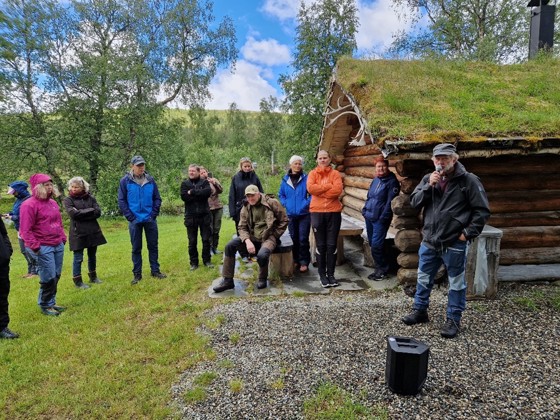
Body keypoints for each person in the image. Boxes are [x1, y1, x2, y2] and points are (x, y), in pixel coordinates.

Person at [402, 143, 490, 339]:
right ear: (433, 160)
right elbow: (414, 203)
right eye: (437, 158)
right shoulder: (428, 179)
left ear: (454, 159)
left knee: (456, 283)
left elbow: (481, 211)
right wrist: (427, 186)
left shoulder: (468, 181)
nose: (441, 162)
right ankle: (420, 310)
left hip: (454, 242)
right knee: (424, 278)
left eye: (445, 158)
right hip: (430, 241)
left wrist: (467, 233)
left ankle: (453, 319)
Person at [213, 185, 288, 293]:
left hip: (268, 237)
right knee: (230, 246)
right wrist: (247, 241)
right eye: (248, 196)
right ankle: (227, 280)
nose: (250, 199)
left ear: (258, 194)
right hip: (252, 236)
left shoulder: (271, 203)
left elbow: (284, 221)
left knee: (262, 255)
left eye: (252, 196)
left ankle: (262, 278)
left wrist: (275, 235)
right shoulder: (246, 206)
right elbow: (242, 227)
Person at [19, 174, 67, 316]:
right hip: (42, 245)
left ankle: (51, 301)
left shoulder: (52, 203)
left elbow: (59, 222)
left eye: (51, 184)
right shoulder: (29, 205)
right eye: (46, 185)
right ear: (38, 187)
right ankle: (45, 305)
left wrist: (62, 237)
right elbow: (25, 230)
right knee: (48, 276)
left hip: (57, 243)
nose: (50, 187)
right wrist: (35, 246)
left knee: (56, 274)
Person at [118, 155, 167, 285]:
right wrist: (130, 217)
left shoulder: (150, 180)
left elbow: (157, 198)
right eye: (138, 165)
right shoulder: (125, 181)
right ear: (132, 166)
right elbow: (122, 200)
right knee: (136, 248)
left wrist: (153, 214)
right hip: (134, 220)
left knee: (153, 246)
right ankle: (137, 274)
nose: (141, 168)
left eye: (142, 165)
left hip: (150, 218)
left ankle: (155, 270)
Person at [307, 150, 343, 288]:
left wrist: (321, 191)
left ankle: (331, 275)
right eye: (320, 158)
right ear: (317, 160)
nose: (322, 160)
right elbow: (311, 189)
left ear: (329, 159)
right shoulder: (312, 174)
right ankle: (322, 275)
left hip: (333, 212)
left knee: (331, 245)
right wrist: (328, 188)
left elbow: (337, 190)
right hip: (317, 212)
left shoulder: (335, 174)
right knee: (321, 245)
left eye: (325, 158)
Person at [62, 177, 107, 289]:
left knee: (92, 255)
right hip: (78, 233)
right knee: (78, 257)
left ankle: (93, 276)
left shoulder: (91, 198)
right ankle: (78, 281)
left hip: (92, 231)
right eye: (72, 187)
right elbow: (73, 215)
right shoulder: (68, 200)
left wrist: (81, 213)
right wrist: (89, 211)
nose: (73, 189)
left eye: (76, 187)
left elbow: (98, 212)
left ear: (82, 187)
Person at [361, 157, 400, 281]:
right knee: (373, 243)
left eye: (383, 166)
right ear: (375, 167)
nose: (381, 168)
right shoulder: (376, 180)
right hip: (369, 216)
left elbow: (390, 202)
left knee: (377, 245)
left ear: (387, 166)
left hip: (380, 218)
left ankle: (383, 269)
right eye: (378, 166)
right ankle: (379, 268)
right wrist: (365, 209)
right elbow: (369, 197)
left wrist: (384, 217)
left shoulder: (392, 182)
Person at [278, 155, 311, 273]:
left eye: (299, 164)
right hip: (291, 214)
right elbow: (281, 194)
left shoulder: (306, 178)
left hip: (304, 214)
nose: (297, 166)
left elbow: (312, 193)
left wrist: (306, 204)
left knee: (303, 238)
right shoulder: (285, 179)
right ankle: (295, 259)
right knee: (294, 238)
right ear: (291, 165)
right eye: (295, 163)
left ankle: (304, 261)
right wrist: (285, 203)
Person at [228, 157, 263, 263]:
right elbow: (231, 196)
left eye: (249, 166)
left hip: (254, 208)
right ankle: (243, 254)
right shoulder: (236, 178)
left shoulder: (255, 177)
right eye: (245, 166)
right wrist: (232, 211)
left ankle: (254, 253)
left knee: (255, 230)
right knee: (241, 232)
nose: (247, 168)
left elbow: (261, 191)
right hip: (240, 209)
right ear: (241, 167)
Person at [180, 164, 213, 271]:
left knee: (206, 240)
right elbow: (185, 197)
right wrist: (199, 194)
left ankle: (207, 261)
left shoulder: (204, 182)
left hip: (204, 216)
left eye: (193, 171)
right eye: (190, 171)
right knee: (192, 241)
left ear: (198, 172)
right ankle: (194, 263)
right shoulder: (185, 183)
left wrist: (193, 192)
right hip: (191, 216)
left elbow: (207, 192)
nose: (191, 172)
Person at [6, 181, 38, 278]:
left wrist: (12, 218)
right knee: (24, 251)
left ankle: (36, 272)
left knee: (30, 251)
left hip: (27, 230)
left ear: (19, 190)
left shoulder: (28, 200)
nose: (13, 194)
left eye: (14, 191)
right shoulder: (18, 200)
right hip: (19, 229)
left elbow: (25, 216)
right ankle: (30, 271)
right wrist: (10, 214)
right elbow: (17, 211)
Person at [0, 214, 19, 338]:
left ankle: (2, 327)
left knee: (2, 293)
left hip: (1, 261)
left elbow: (3, 232)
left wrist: (7, 251)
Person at [200, 167, 223, 255]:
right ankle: (209, 248)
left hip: (217, 207)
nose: (204, 174)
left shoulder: (213, 180)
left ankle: (215, 247)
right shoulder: (199, 183)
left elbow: (221, 190)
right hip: (207, 208)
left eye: (204, 172)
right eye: (201, 173)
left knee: (216, 228)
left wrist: (215, 183)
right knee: (209, 229)